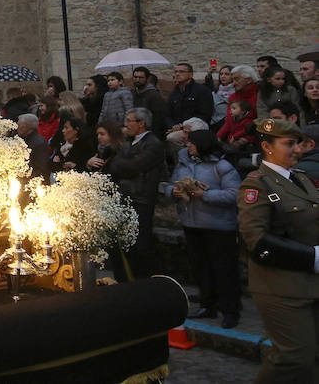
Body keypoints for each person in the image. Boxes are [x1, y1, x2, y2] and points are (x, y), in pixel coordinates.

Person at [237, 118, 319, 384]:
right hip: (280, 286)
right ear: (267, 147)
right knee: (294, 355)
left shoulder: (302, 178)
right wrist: (313, 258)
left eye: (298, 143)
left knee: (313, 355)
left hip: (310, 283)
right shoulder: (257, 184)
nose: (297, 149)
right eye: (289, 144)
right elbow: (256, 240)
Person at [166, 130, 242, 328]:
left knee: (224, 270)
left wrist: (204, 195)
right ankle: (208, 304)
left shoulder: (222, 166)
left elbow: (234, 194)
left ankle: (230, 310)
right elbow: (170, 184)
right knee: (201, 267)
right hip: (191, 223)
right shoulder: (183, 163)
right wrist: (172, 191)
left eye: (191, 143)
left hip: (218, 226)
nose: (188, 146)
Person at [104, 108, 164, 281]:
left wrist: (124, 165)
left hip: (142, 197)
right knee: (126, 245)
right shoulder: (129, 143)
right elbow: (115, 165)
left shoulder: (153, 144)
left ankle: (146, 283)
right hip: (128, 195)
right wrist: (124, 165)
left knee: (141, 244)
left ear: (141, 123)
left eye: (129, 120)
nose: (126, 124)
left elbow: (137, 166)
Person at [166, 63, 214, 145]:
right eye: (176, 71)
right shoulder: (174, 94)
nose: (177, 74)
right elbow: (167, 114)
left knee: (172, 137)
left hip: (196, 127)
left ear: (191, 74)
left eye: (181, 72)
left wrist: (183, 125)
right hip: (177, 128)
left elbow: (205, 114)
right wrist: (173, 126)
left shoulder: (202, 90)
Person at [131, 66, 168, 137]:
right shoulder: (133, 93)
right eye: (135, 77)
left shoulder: (154, 95)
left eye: (140, 77)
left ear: (147, 79)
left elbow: (158, 118)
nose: (137, 80)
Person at [15, 114, 51, 181]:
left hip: (30, 183)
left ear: (28, 128)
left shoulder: (39, 143)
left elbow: (40, 169)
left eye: (20, 126)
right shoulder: (20, 138)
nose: (17, 128)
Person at [208, 65, 235, 131]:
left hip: (231, 123)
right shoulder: (214, 93)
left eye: (227, 74)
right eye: (221, 74)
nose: (223, 76)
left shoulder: (237, 92)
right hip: (215, 124)